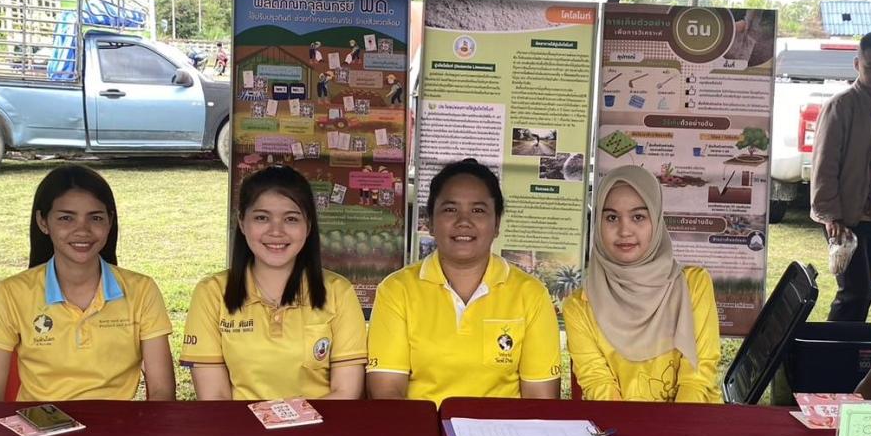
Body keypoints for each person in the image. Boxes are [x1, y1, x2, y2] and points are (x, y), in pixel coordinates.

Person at [0, 164, 175, 402]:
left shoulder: (141, 290)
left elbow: (162, 392)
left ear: (110, 221)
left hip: (116, 423)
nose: (82, 230)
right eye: (66, 218)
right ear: (43, 222)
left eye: (95, 218)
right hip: (37, 423)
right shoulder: (11, 293)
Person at [367, 158, 560, 405]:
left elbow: (540, 400)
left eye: (478, 210)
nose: (463, 222)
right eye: (450, 210)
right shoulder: (397, 290)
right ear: (430, 222)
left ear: (497, 223)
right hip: (421, 427)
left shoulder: (530, 294)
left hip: (502, 429)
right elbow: (386, 392)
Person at [181, 165, 366, 401]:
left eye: (291, 219)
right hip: (237, 424)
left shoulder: (339, 292)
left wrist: (292, 421)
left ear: (308, 225)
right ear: (241, 222)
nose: (276, 231)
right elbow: (214, 396)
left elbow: (346, 392)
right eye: (262, 218)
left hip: (321, 423)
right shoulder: (212, 293)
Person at [564, 165, 721, 403]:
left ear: (656, 220)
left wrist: (676, 427)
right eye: (611, 217)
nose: (624, 231)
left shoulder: (693, 286)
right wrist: (633, 426)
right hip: (618, 423)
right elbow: (598, 383)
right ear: (597, 223)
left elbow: (697, 377)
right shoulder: (580, 307)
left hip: (692, 418)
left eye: (638, 217)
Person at [810, 30, 871, 322]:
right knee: (854, 293)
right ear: (857, 64)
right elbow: (825, 165)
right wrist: (831, 217)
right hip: (848, 218)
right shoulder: (840, 106)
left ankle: (849, 346)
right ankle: (833, 347)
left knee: (865, 294)